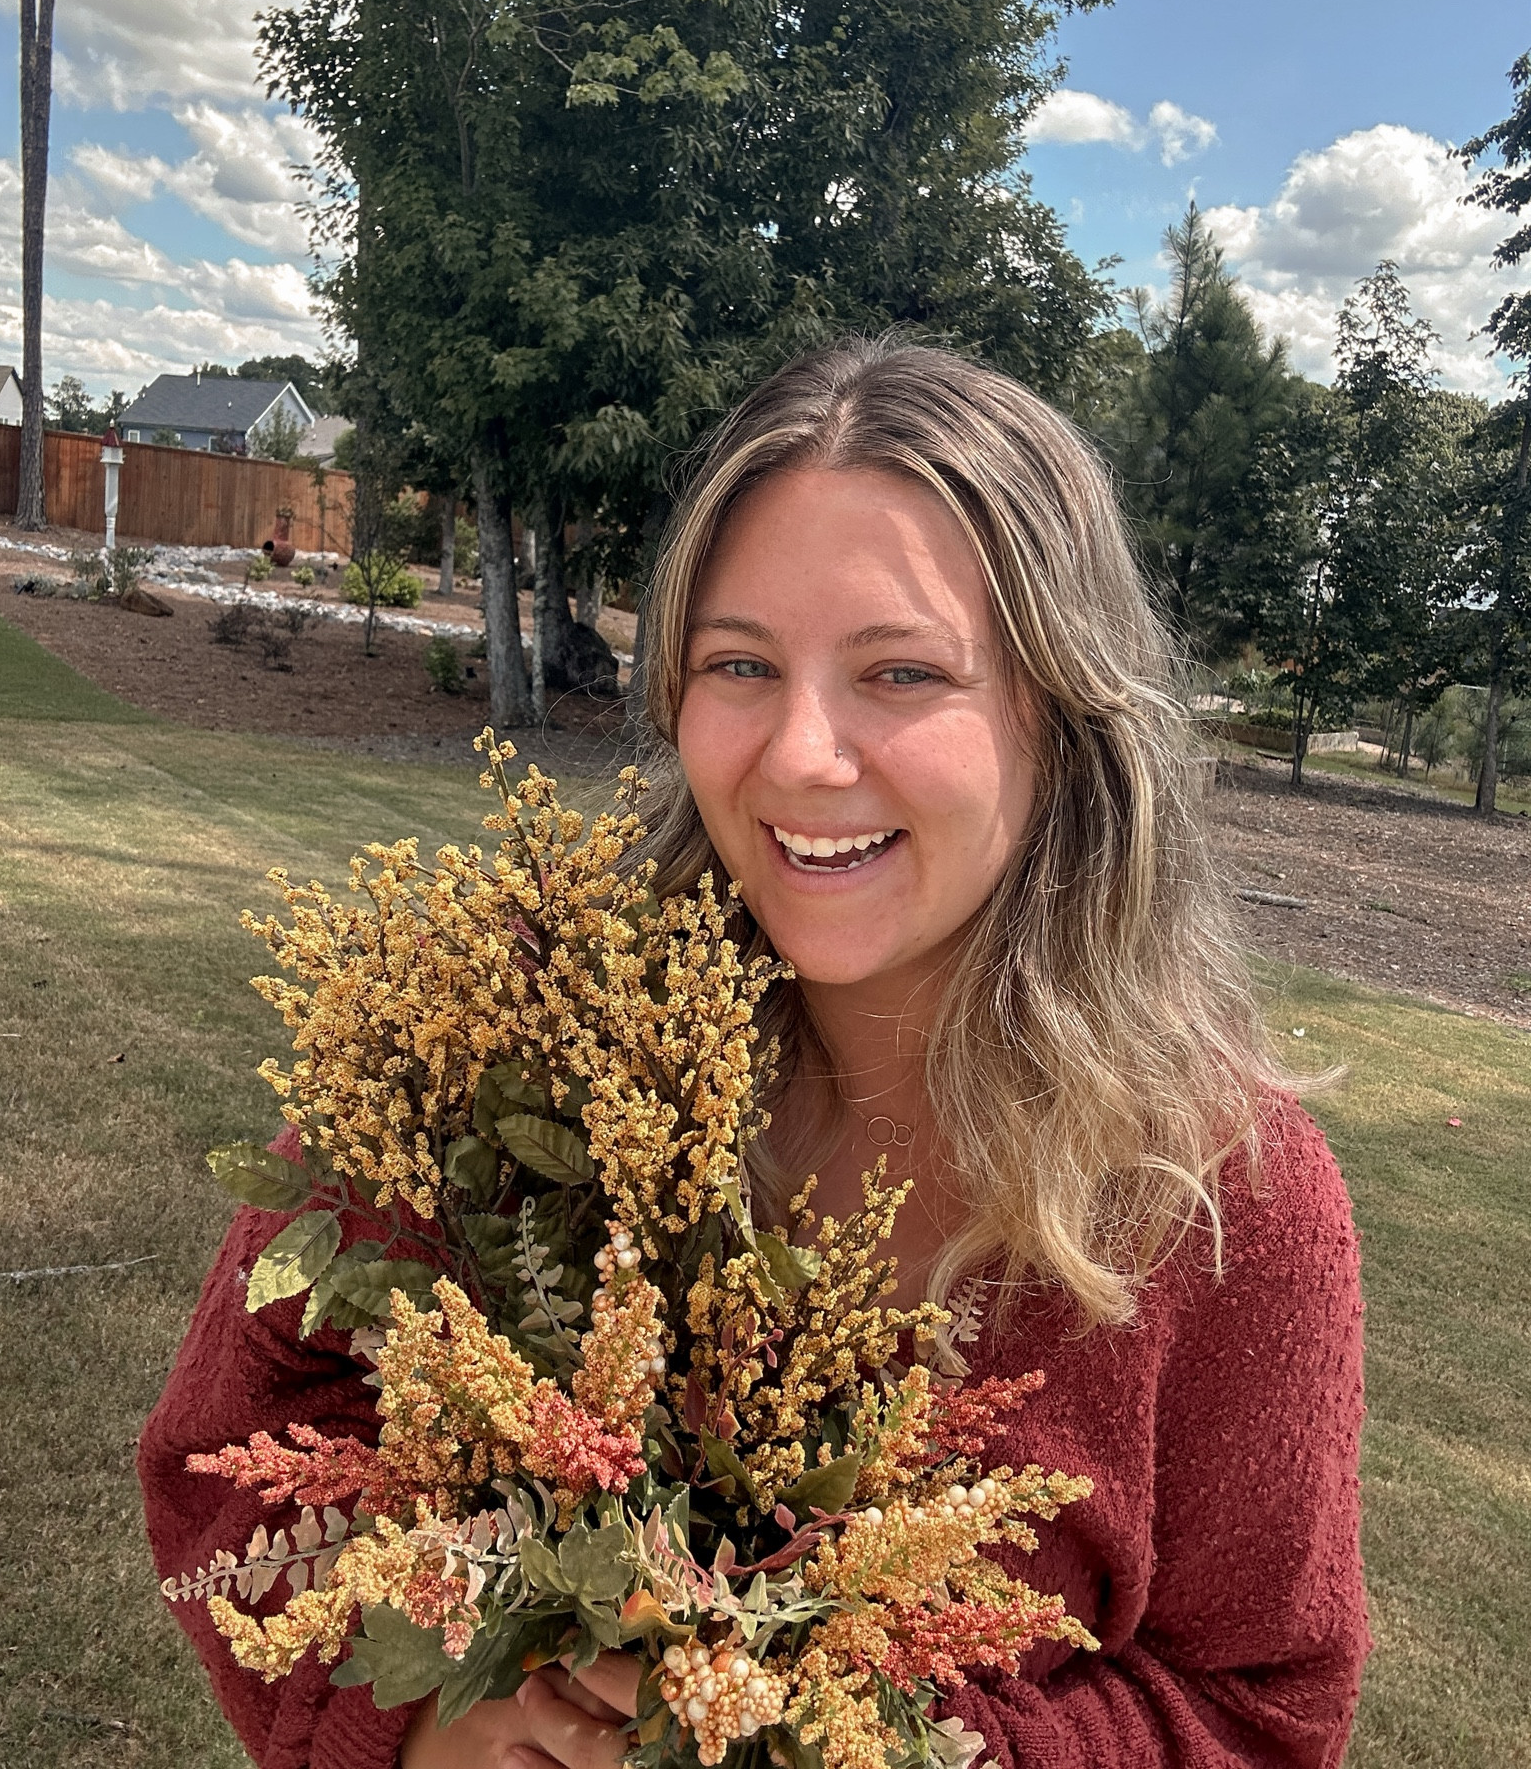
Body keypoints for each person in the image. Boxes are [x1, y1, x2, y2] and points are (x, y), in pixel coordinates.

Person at [140, 340, 1368, 1769]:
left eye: (902, 672)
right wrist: (426, 1722)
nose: (800, 755)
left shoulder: (1226, 1202)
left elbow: (1259, 1708)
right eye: (741, 664)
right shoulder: (504, 1032)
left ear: (1061, 714)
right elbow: (225, 1458)